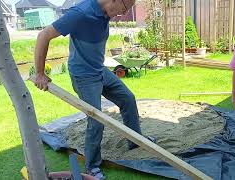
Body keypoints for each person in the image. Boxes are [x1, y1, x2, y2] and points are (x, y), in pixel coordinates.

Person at [34, 0, 155, 179]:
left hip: (100, 70)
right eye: (124, 9)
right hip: (83, 75)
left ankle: (134, 140)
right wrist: (39, 73)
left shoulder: (105, 13)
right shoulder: (80, 13)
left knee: (128, 98)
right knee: (96, 118)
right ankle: (92, 166)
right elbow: (44, 35)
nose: (122, 14)